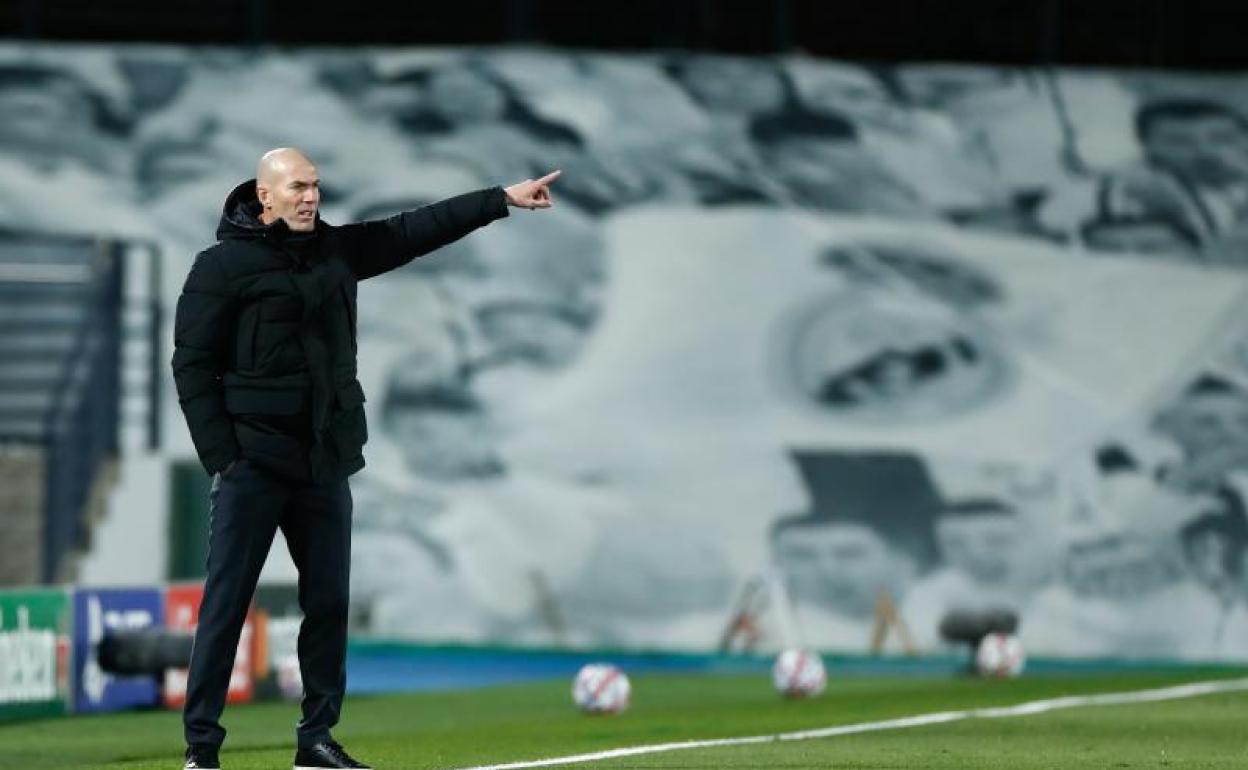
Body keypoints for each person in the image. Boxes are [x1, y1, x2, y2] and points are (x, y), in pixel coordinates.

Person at [171, 147, 560, 770]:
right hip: (255, 463)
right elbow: (191, 366)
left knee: (327, 605)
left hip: (325, 461)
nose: (310, 197)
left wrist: (498, 200)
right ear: (263, 197)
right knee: (227, 605)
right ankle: (201, 751)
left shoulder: (337, 252)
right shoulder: (221, 267)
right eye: (297, 187)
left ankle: (316, 741)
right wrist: (226, 458)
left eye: (316, 186)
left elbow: (413, 230)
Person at [1089, 99, 1248, 260]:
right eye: (1179, 142)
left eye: (1223, 139)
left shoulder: (1235, 175)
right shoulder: (1140, 183)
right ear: (1146, 146)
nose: (1205, 151)